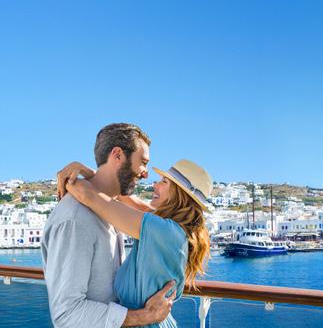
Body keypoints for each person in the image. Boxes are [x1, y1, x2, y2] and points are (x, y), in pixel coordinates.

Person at [42, 123, 176, 328]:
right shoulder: (75, 219)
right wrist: (144, 316)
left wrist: (88, 174)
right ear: (118, 155)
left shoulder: (109, 210)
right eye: (143, 162)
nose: (146, 174)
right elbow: (66, 314)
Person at [59, 156, 212, 328]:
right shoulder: (172, 229)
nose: (155, 185)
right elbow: (123, 197)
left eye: (164, 182)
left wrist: (69, 177)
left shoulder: (163, 230)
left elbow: (87, 195)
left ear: (179, 194)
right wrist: (87, 171)